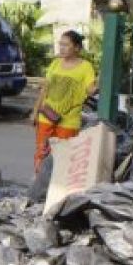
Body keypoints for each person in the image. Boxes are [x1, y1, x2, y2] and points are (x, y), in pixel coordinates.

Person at [31, 30, 98, 173]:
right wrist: (35, 112)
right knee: (41, 153)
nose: (61, 48)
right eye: (60, 44)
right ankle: (38, 185)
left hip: (68, 121)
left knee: (63, 156)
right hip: (46, 116)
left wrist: (99, 85)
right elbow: (45, 89)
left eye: (66, 45)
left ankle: (57, 189)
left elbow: (91, 89)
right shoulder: (55, 63)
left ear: (77, 48)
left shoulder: (86, 67)